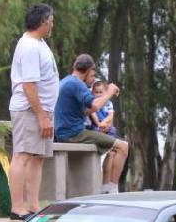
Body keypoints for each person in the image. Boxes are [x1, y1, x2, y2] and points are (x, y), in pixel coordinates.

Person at [7, 3, 59, 221]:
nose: (53, 24)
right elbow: (29, 85)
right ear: (42, 22)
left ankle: (33, 205)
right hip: (30, 110)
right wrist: (41, 116)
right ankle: (17, 208)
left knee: (38, 157)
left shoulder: (40, 43)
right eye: (51, 21)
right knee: (23, 155)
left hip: (44, 110)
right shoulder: (28, 45)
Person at [54, 54, 129, 194]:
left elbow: (88, 109)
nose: (93, 79)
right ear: (87, 70)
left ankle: (107, 185)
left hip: (64, 132)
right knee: (123, 147)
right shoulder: (76, 84)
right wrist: (109, 92)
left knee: (112, 150)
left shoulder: (65, 81)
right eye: (93, 75)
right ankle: (112, 189)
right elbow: (95, 104)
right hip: (74, 134)